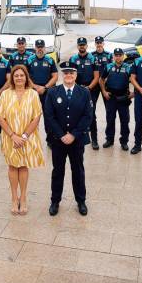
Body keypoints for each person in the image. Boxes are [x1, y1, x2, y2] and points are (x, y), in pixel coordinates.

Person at [44, 62, 93, 216]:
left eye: (71, 73)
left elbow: (88, 116)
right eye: (66, 73)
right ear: (62, 75)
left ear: (76, 75)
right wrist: (61, 135)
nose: (68, 76)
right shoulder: (53, 92)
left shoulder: (84, 93)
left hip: (77, 140)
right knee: (58, 171)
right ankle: (55, 201)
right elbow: (49, 116)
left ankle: (81, 201)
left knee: (78, 170)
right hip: (58, 141)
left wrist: (73, 134)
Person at [0, 65, 45, 215]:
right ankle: (13, 198)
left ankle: (23, 198)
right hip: (10, 137)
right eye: (16, 75)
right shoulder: (5, 94)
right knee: (12, 166)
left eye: (21, 75)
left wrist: (23, 136)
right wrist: (13, 136)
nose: (19, 78)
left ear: (26, 77)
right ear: (12, 78)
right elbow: (0, 117)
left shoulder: (33, 94)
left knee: (23, 166)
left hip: (26, 138)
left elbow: (36, 116)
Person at [70, 37, 100, 150]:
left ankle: (94, 140)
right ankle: (76, 137)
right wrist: (77, 88)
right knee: (75, 114)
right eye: (80, 45)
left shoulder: (93, 58)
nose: (82, 46)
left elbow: (97, 77)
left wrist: (88, 88)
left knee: (91, 115)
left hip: (90, 90)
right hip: (77, 90)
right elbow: (70, 76)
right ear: (77, 46)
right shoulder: (73, 59)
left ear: (86, 46)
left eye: (83, 44)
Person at [99, 48, 132, 149]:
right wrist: (104, 91)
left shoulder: (128, 67)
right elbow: (101, 79)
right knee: (110, 119)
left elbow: (135, 80)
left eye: (120, 55)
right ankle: (109, 139)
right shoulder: (108, 66)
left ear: (123, 56)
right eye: (116, 55)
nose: (118, 57)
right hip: (111, 97)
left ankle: (124, 141)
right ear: (113, 56)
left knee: (125, 121)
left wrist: (134, 93)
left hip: (123, 98)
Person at [25, 39, 57, 106]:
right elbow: (25, 76)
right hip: (33, 90)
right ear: (35, 48)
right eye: (38, 47)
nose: (40, 49)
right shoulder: (29, 60)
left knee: (48, 114)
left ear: (44, 48)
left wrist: (45, 87)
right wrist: (35, 87)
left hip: (47, 91)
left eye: (41, 47)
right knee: (32, 114)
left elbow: (55, 77)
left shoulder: (50, 60)